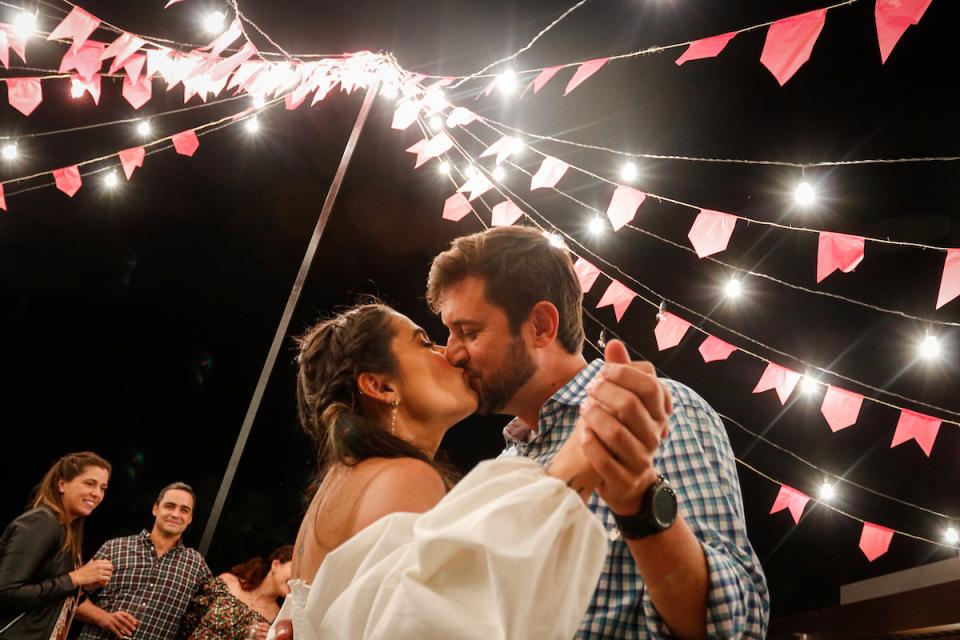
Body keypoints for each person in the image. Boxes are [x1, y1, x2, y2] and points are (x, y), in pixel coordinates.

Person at [426, 225, 770, 638]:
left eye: (469, 332)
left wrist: (639, 497)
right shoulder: (503, 465)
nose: (451, 352)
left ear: (540, 325)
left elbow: (737, 624)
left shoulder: (655, 410)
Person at [275, 302, 611, 639]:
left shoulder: (341, 485)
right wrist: (569, 474)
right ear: (381, 387)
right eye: (424, 343)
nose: (449, 354)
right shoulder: (405, 476)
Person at [75, 482, 212, 640]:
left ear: (190, 518)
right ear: (155, 509)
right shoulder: (115, 548)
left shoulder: (196, 565)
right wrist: (103, 618)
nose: (176, 514)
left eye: (184, 510)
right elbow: (71, 598)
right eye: (170, 506)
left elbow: (212, 617)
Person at [0, 452, 113, 640]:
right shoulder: (42, 521)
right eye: (89, 483)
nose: (97, 494)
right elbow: (5, 593)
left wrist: (82, 585)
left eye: (103, 488)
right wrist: (75, 578)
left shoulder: (67, 530)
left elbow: (48, 591)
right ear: (62, 484)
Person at [179, 545, 293, 640]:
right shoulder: (228, 582)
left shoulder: (277, 620)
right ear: (276, 565)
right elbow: (187, 622)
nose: (296, 580)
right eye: (295, 571)